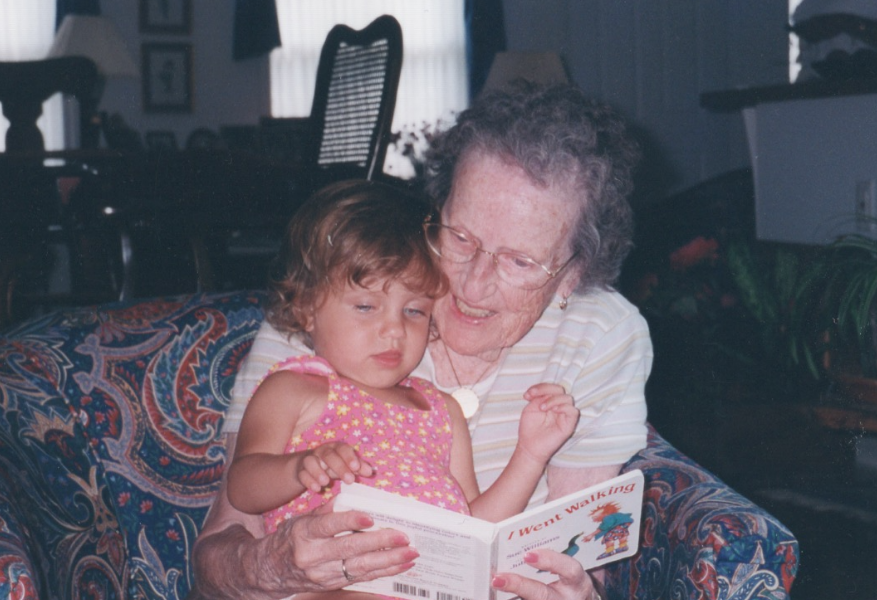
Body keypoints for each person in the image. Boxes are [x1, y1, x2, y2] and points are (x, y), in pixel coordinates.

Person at [190, 81, 652, 600]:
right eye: (460, 237)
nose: (474, 285)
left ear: (572, 274)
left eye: (520, 261)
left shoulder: (603, 336)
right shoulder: (334, 304)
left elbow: (575, 553)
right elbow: (216, 557)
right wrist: (277, 566)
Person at [227, 180, 579, 551]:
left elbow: (474, 530)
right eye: (365, 307)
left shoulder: (442, 411)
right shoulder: (294, 389)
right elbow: (242, 486)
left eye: (414, 311)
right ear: (305, 308)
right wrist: (299, 468)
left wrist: (531, 455)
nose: (394, 330)